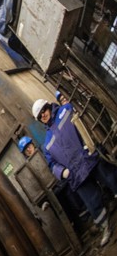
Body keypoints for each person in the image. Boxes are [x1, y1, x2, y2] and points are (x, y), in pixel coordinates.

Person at [32, 97, 117, 247]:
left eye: (43, 111)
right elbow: (52, 164)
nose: (43, 116)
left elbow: (83, 122)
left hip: (89, 157)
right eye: (40, 117)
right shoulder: (47, 143)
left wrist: (88, 142)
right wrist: (63, 172)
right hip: (75, 173)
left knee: (111, 178)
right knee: (92, 202)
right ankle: (105, 227)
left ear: (48, 106)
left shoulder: (66, 110)